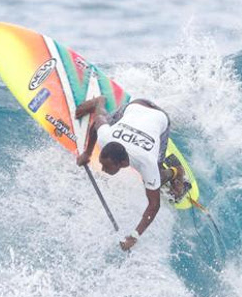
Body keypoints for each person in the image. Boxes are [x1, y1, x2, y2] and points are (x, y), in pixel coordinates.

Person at [74, 96, 188, 251]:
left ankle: (177, 171)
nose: (103, 169)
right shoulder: (106, 138)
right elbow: (97, 123)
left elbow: (154, 205)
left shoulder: (146, 162)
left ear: (122, 164)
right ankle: (98, 101)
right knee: (103, 117)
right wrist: (87, 153)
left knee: (157, 178)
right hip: (136, 105)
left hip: (160, 117)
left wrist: (134, 236)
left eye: (107, 167)